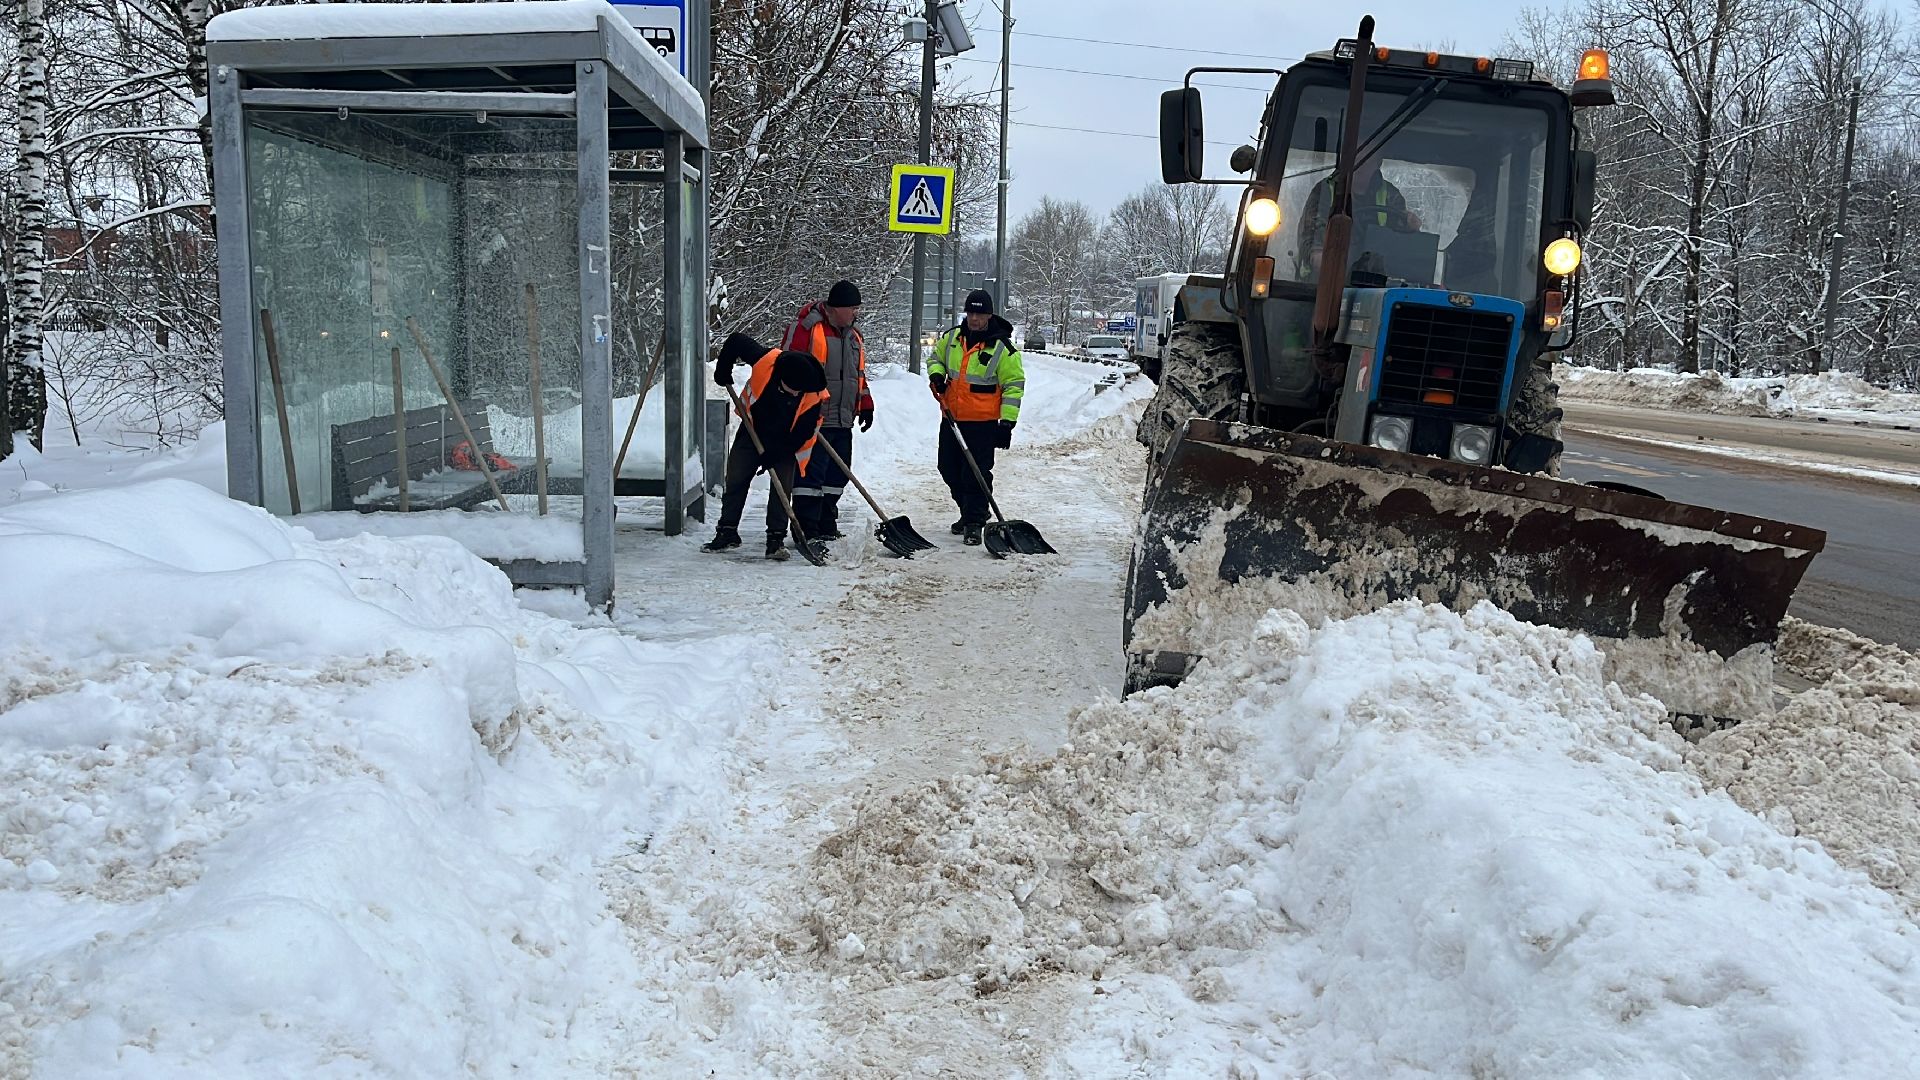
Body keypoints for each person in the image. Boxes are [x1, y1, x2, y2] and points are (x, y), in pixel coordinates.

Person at [701, 332, 830, 561]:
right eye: (792, 390)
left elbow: (803, 432)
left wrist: (777, 453)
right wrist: (723, 369)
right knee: (736, 477)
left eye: (800, 391)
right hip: (753, 429)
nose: (796, 394)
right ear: (782, 378)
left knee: (781, 487)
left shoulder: (812, 393)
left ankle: (775, 540)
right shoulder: (767, 361)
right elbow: (736, 340)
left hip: (787, 440)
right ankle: (727, 532)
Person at [927, 289, 1025, 546]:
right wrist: (936, 374)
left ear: (989, 315)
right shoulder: (952, 339)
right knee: (948, 468)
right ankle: (969, 511)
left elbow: (1013, 386)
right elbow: (935, 358)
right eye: (971, 313)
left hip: (983, 423)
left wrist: (1007, 423)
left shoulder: (1003, 349)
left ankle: (974, 521)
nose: (974, 319)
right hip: (952, 417)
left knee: (976, 473)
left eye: (979, 314)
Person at [785, 279, 873, 541]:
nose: (856, 313)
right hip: (815, 417)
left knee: (837, 474)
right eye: (852, 308)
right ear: (836, 308)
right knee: (811, 475)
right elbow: (788, 367)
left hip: (843, 417)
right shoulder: (808, 329)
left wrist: (865, 404)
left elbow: (858, 375)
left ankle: (826, 519)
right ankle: (806, 526)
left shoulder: (854, 335)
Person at [1295, 154, 1421, 278]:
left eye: (1367, 159)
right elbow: (1309, 235)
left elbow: (1399, 239)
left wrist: (1409, 225)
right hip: (1323, 283)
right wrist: (1318, 256)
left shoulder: (1391, 196)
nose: (1360, 165)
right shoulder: (1324, 191)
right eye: (1356, 158)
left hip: (1375, 283)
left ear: (1378, 163)